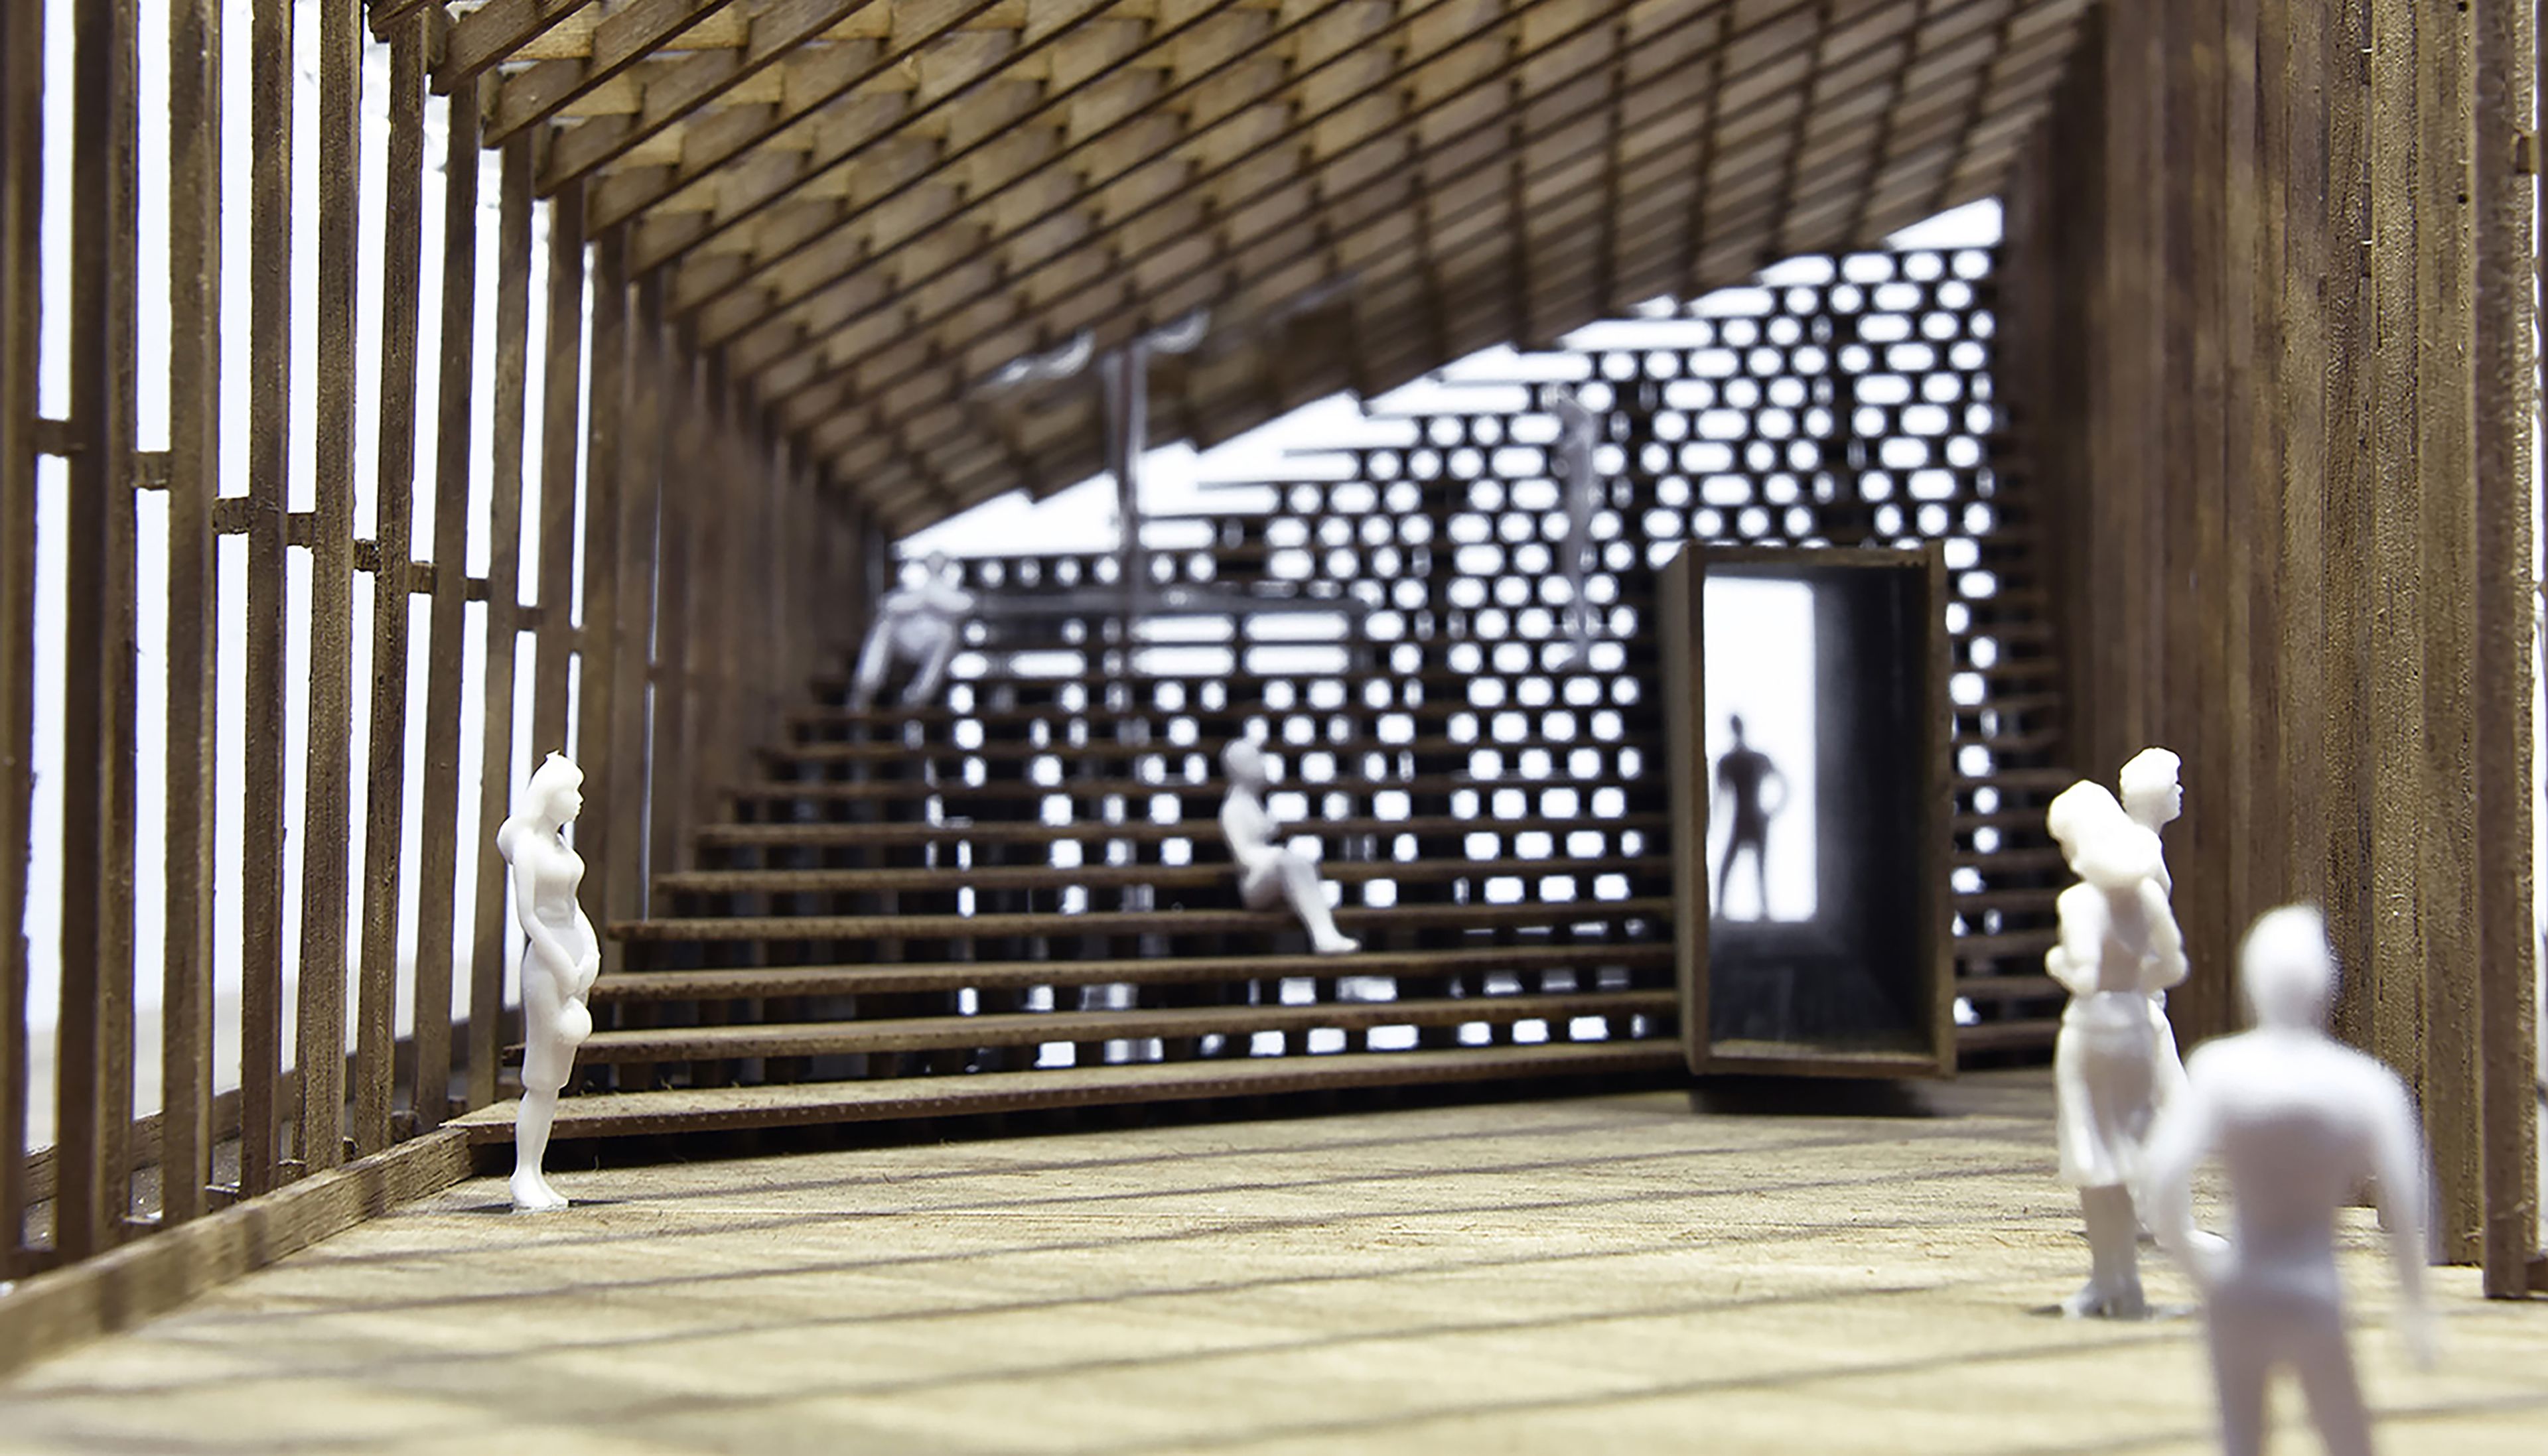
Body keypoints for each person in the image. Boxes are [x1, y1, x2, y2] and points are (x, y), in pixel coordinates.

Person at [2141, 905, 2437, 1456]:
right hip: (2313, 1284)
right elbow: (2406, 1198)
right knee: (2346, 1435)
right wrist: (2416, 1308)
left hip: (2242, 1282)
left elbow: (2161, 1178)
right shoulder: (2364, 1084)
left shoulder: (2220, 1069)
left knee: (2241, 1438)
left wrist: (2201, 1273)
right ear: (2327, 983)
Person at [2042, 779, 2186, 1317]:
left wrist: (2054, 963)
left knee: (2096, 1164)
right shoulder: (2146, 895)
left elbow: (2081, 974)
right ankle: (2124, 1283)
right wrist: (2134, 985)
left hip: (2092, 1030)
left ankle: (2112, 1278)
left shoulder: (2080, 902)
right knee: (2127, 1153)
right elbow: (2173, 965)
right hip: (2134, 1024)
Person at [497, 752, 600, 1212]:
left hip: (573, 962)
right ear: (548, 796)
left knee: (556, 1078)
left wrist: (590, 953)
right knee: (540, 1076)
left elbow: (573, 908)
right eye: (571, 791)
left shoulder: (561, 847)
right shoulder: (528, 847)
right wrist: (560, 962)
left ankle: (536, 1173)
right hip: (546, 965)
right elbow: (530, 917)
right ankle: (524, 1173)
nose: (579, 800)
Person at [1219, 738, 1360, 955]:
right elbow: (1244, 857)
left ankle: (1325, 932)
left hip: (1268, 870)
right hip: (1253, 882)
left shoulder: (1254, 803)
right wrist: (1275, 855)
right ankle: (1323, 935)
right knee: (1289, 862)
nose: (1261, 765)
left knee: (1299, 862)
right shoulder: (1234, 808)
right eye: (1254, 760)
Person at [2119, 746, 2190, 1093]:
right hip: (2140, 981)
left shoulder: (2136, 842)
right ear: (2157, 795)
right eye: (2174, 785)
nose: (2180, 791)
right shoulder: (2143, 848)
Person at [849, 551, 977, 710]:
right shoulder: (915, 587)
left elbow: (965, 606)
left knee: (948, 635)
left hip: (933, 643)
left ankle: (918, 696)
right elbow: (888, 605)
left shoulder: (952, 591)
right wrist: (925, 599)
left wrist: (928, 598)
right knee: (884, 626)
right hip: (907, 640)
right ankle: (866, 683)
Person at [1712, 715, 1787, 919]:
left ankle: (1763, 910)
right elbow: (1719, 796)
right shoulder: (1730, 761)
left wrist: (1773, 811)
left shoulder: (1749, 759)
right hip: (1746, 819)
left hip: (1753, 818)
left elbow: (1784, 784)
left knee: (1759, 867)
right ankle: (1723, 910)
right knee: (1734, 866)